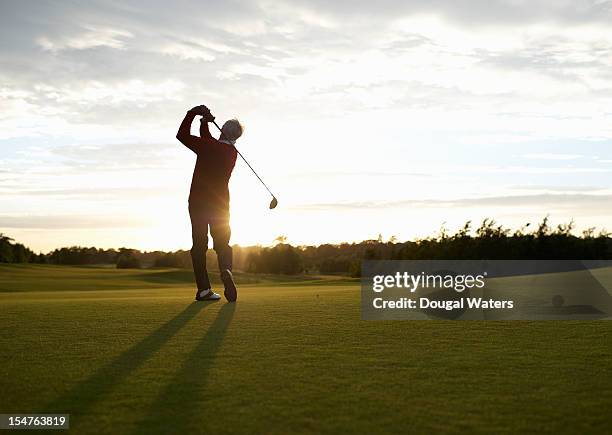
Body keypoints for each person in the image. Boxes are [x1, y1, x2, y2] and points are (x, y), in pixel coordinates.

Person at [176, 105, 243, 302]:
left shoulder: (209, 147)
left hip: (197, 203)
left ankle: (204, 290)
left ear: (222, 130)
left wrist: (192, 113)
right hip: (221, 205)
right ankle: (226, 270)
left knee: (199, 246)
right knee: (222, 244)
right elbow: (210, 141)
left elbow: (182, 135)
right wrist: (204, 122)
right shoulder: (231, 153)